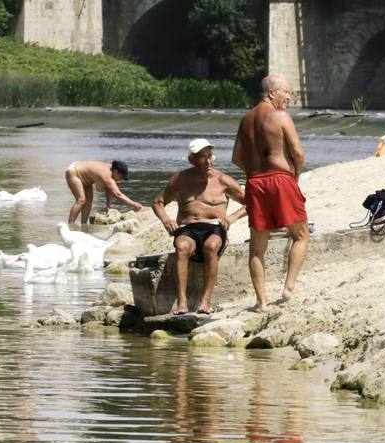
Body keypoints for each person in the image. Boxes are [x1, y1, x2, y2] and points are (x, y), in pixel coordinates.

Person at [232, 74, 309, 309]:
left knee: (257, 247)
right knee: (301, 235)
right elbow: (298, 153)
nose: (288, 97)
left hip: (255, 182)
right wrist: (293, 178)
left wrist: (256, 172)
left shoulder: (246, 120)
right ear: (271, 93)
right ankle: (288, 288)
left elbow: (236, 158)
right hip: (280, 179)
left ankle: (261, 301)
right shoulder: (280, 116)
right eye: (286, 92)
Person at [152, 139, 248, 315]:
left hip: (214, 228)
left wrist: (232, 217)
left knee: (210, 247)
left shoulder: (223, 180)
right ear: (192, 160)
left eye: (210, 155)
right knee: (181, 247)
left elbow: (252, 202)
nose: (208, 160)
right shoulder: (180, 179)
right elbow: (158, 202)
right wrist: (166, 220)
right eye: (203, 157)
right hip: (188, 228)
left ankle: (206, 301)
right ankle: (182, 301)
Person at [64, 159, 145, 224]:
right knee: (81, 200)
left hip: (86, 177)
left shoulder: (112, 173)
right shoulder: (107, 175)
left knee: (88, 202)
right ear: (116, 171)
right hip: (73, 171)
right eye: (121, 177)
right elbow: (118, 194)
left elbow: (109, 189)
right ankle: (70, 225)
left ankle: (84, 225)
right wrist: (137, 206)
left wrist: (108, 207)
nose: (121, 179)